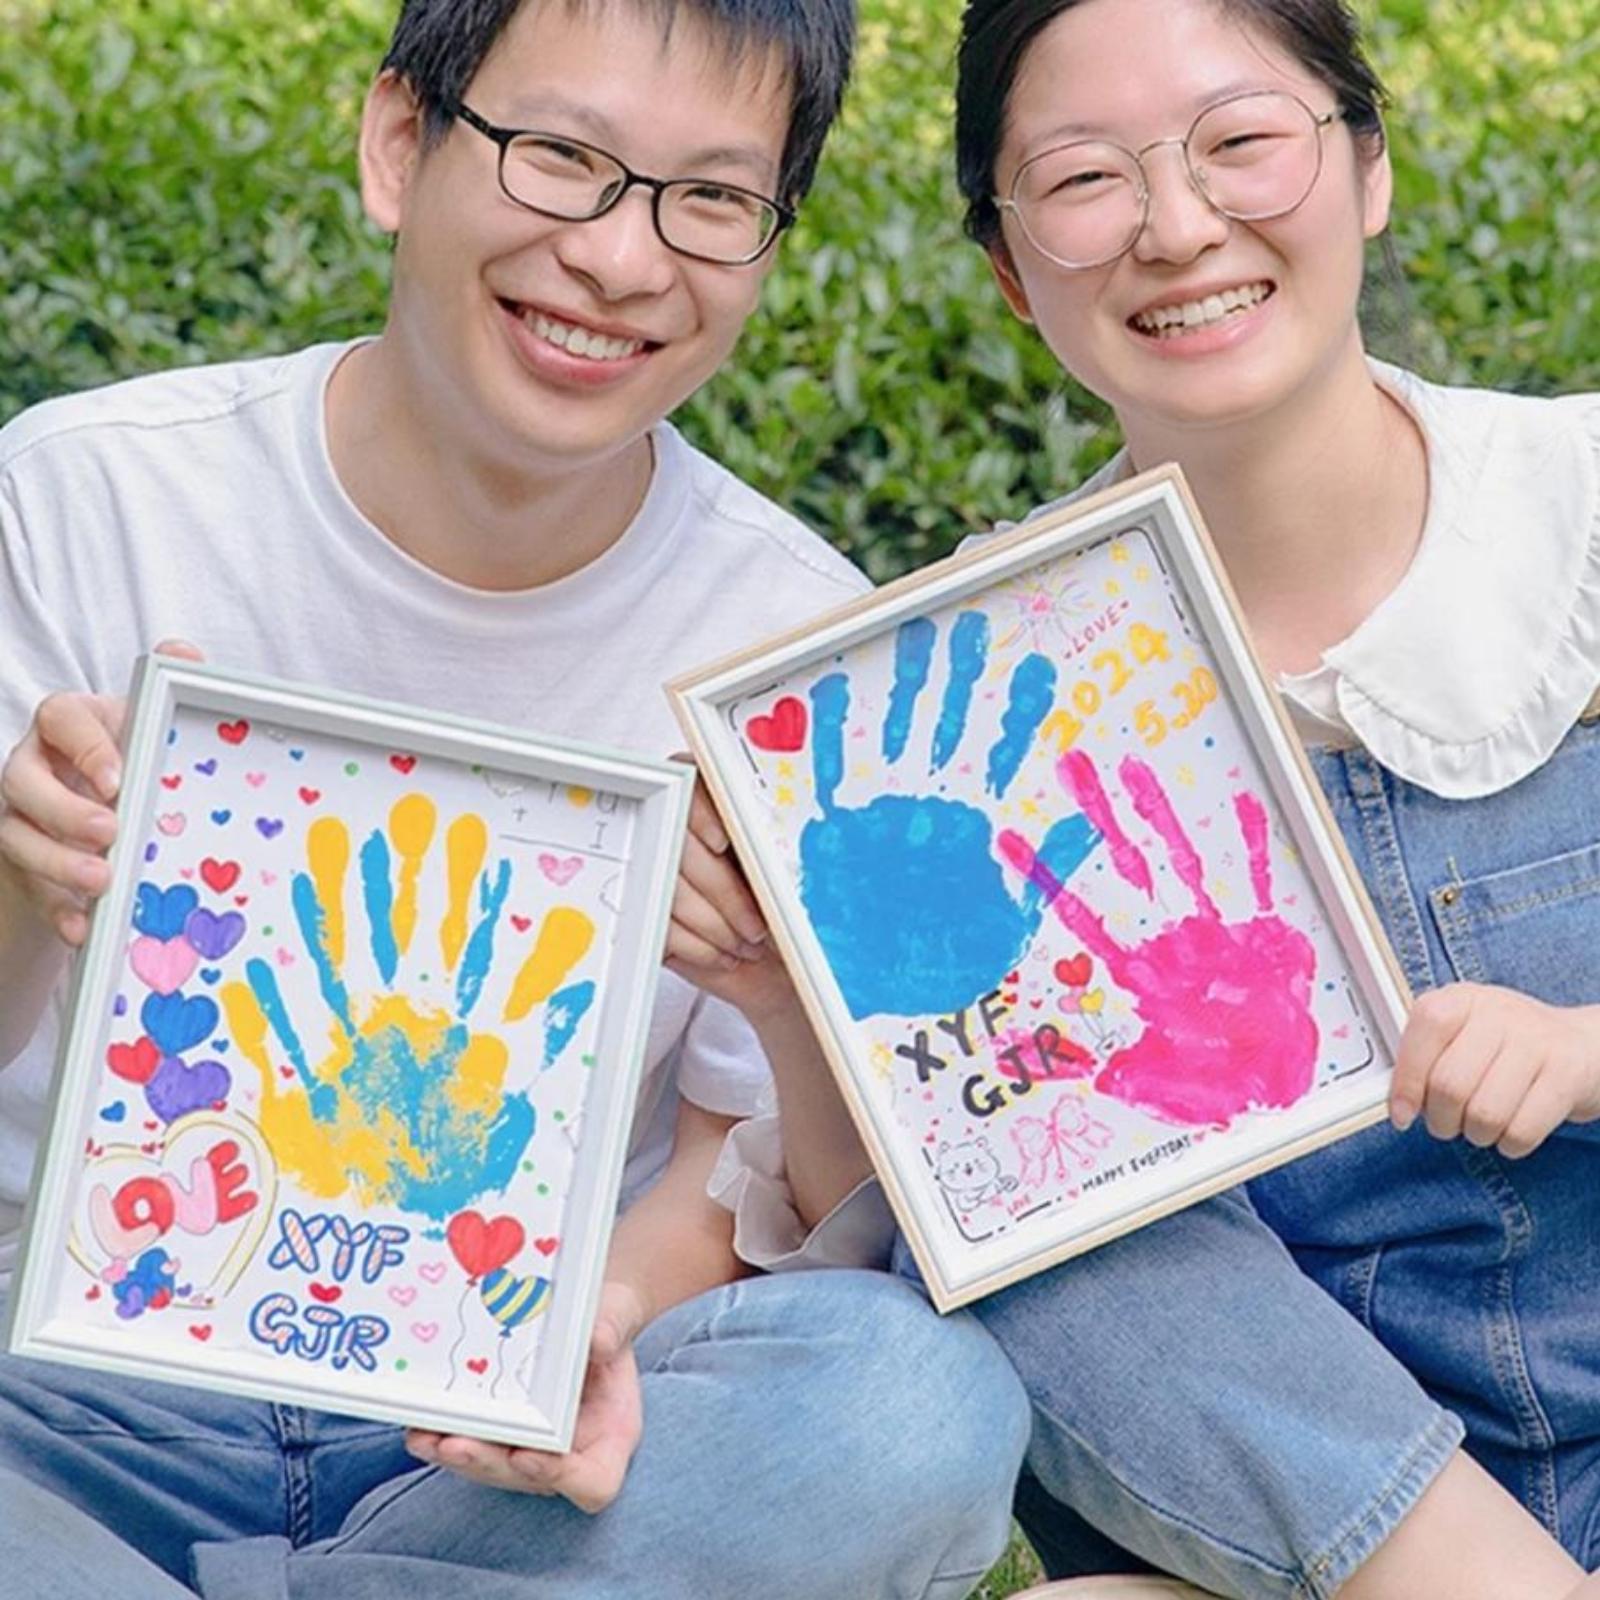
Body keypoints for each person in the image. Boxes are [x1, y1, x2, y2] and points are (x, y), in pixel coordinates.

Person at [0, 2, 1032, 1596]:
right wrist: (24, 883)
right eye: (560, 157)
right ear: (398, 145)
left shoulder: (790, 643)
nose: (620, 259)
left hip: (493, 1435)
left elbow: (733, 1172)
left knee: (911, 1405)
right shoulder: (88, 497)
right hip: (62, 1401)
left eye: (711, 198)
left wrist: (588, 1326)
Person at [927, 0, 1600, 1595]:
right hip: (1324, 1520)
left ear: (1368, 167)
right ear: (1013, 270)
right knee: (990, 1194)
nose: (1176, 226)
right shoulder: (958, 695)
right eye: (1085, 179)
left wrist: (1585, 1049)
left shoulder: (1576, 506)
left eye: (1239, 141)